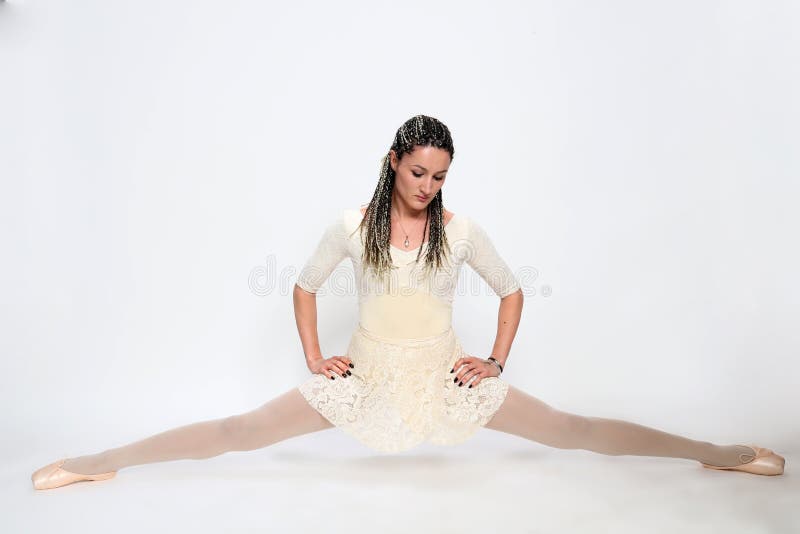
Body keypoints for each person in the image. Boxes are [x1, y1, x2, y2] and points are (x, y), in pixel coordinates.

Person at [31, 115, 785, 490]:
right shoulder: (351, 226)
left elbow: (513, 290)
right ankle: (103, 461)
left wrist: (493, 360)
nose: (429, 186)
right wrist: (314, 359)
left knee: (574, 429)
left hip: (441, 379)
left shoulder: (458, 232)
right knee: (240, 430)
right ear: (395, 161)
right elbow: (301, 286)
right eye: (419, 171)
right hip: (363, 377)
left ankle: (716, 454)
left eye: (440, 175)